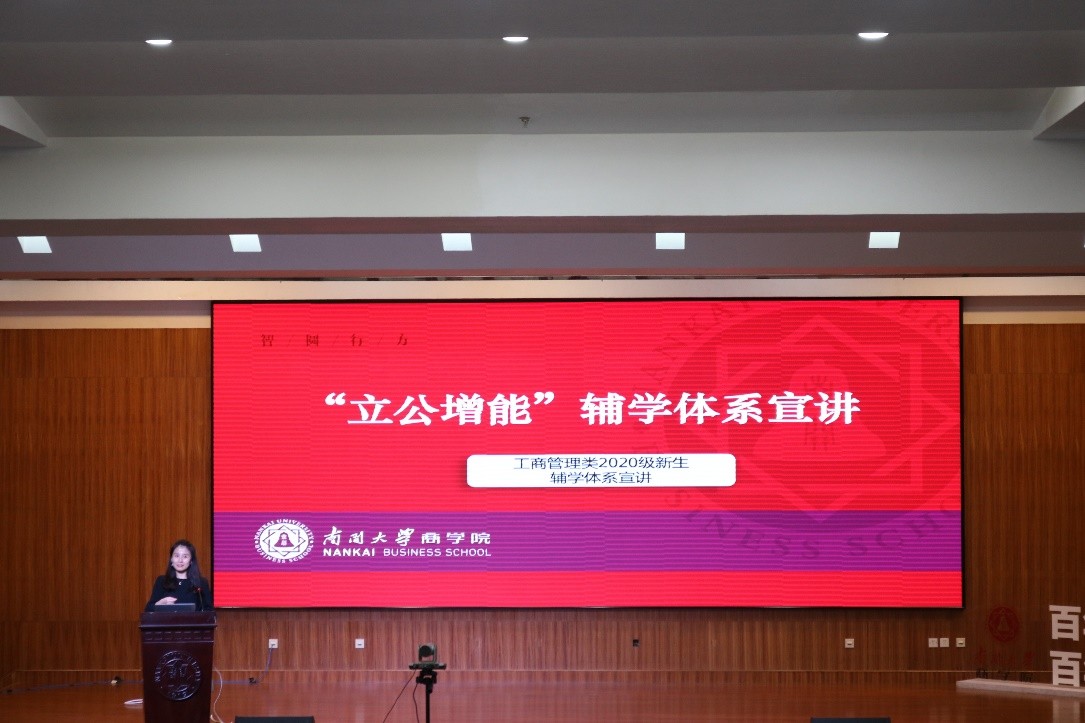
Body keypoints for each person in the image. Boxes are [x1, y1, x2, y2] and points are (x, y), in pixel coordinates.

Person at [144, 539, 213, 611]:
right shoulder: (161, 581)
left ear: (191, 561)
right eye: (176, 556)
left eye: (185, 556)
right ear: (171, 559)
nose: (180, 560)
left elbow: (209, 611)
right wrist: (159, 604)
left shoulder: (201, 583)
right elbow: (148, 609)